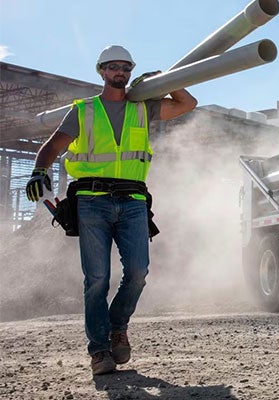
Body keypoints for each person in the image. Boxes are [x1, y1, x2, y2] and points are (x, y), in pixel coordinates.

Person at [25, 45, 197, 375]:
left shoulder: (144, 107)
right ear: (101, 71)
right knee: (97, 279)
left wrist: (165, 79)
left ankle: (118, 327)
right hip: (91, 202)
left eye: (126, 67)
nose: (121, 72)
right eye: (113, 66)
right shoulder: (84, 110)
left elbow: (187, 104)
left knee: (137, 272)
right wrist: (39, 170)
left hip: (133, 202)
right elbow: (53, 145)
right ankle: (99, 350)